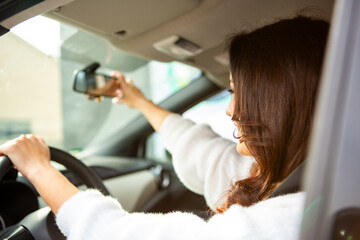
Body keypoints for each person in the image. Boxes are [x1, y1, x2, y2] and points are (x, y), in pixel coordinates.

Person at [0, 16, 329, 239]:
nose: (230, 110)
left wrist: (39, 169)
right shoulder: (282, 176)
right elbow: (203, 152)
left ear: (283, 103)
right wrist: (139, 102)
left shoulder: (296, 217)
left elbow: (118, 233)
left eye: (239, 93)